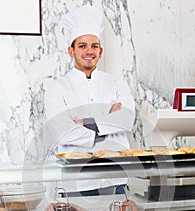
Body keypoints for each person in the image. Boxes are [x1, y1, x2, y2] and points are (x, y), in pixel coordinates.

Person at [44, 5, 135, 197]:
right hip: (77, 181)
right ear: (71, 51)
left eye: (94, 46)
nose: (89, 51)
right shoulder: (57, 88)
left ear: (100, 52)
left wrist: (81, 123)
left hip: (114, 177)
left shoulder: (117, 84)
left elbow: (126, 121)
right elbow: (61, 132)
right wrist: (106, 120)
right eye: (82, 46)